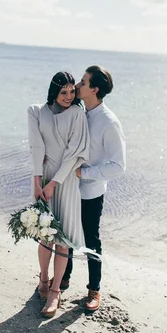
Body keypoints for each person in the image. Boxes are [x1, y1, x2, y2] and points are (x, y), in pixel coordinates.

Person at [62, 65, 126, 312]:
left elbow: (118, 166)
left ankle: (94, 289)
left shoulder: (109, 123)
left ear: (95, 89)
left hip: (91, 191)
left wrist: (85, 173)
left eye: (83, 82)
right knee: (65, 234)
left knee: (91, 240)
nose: (77, 86)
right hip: (68, 188)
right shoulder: (77, 111)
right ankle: (63, 278)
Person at [27, 71, 90, 318]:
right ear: (54, 91)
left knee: (63, 238)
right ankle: (43, 279)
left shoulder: (77, 114)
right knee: (45, 234)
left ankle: (55, 291)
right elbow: (36, 145)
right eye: (63, 92)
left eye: (72, 91)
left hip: (65, 181)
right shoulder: (36, 111)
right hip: (42, 179)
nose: (68, 96)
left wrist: (54, 182)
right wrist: (37, 180)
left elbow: (74, 153)